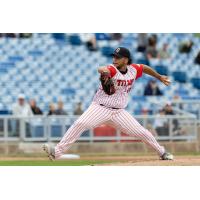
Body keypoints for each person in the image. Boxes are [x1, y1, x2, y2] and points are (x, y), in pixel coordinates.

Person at [43, 47, 173, 161]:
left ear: (126, 60)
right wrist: (104, 72)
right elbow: (102, 68)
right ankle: (57, 152)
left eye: (118, 57)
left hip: (119, 112)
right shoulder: (112, 69)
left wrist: (159, 77)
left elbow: (144, 67)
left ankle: (162, 152)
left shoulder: (133, 70)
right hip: (100, 108)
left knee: (142, 132)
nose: (115, 59)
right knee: (80, 123)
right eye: (114, 57)